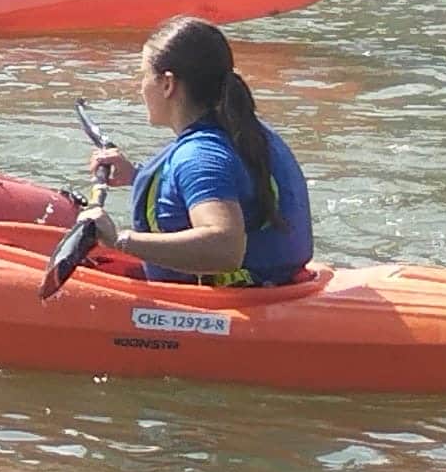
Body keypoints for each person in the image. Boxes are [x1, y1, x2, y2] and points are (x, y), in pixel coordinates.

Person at [76, 16, 312, 287]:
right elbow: (231, 184)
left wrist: (118, 240)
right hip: (273, 286)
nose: (140, 87)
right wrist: (136, 176)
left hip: (227, 310)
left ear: (167, 84)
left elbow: (225, 247)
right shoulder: (246, 131)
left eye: (143, 75)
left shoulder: (200, 157)